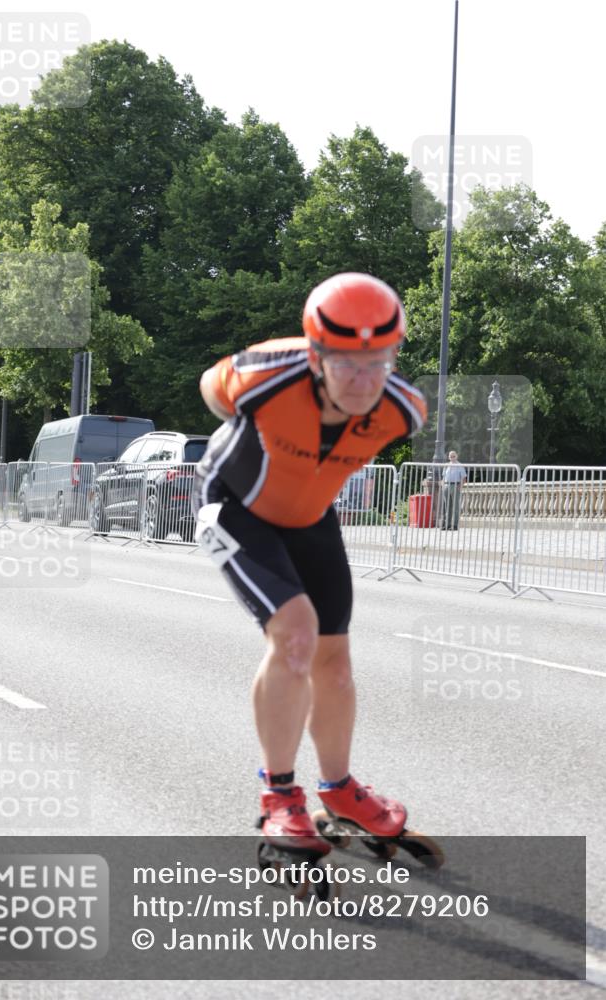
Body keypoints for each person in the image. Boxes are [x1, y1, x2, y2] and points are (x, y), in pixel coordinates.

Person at [192, 272, 427, 853]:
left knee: (335, 663)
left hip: (311, 519)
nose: (364, 379)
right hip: (234, 509)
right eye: (347, 362)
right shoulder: (263, 375)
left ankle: (340, 789)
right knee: (295, 635)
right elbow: (211, 388)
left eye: (379, 361)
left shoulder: (403, 410)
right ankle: (277, 796)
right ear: (316, 354)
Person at [441, 450, 467, 530]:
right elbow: (443, 477)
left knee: (455, 506)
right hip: (446, 485)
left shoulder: (460, 465)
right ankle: (446, 524)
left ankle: (455, 525)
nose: (452, 458)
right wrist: (443, 485)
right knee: (447, 506)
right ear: (448, 457)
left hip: (455, 485)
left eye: (453, 456)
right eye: (450, 456)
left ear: (457, 456)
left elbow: (464, 478)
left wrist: (460, 486)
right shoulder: (446, 465)